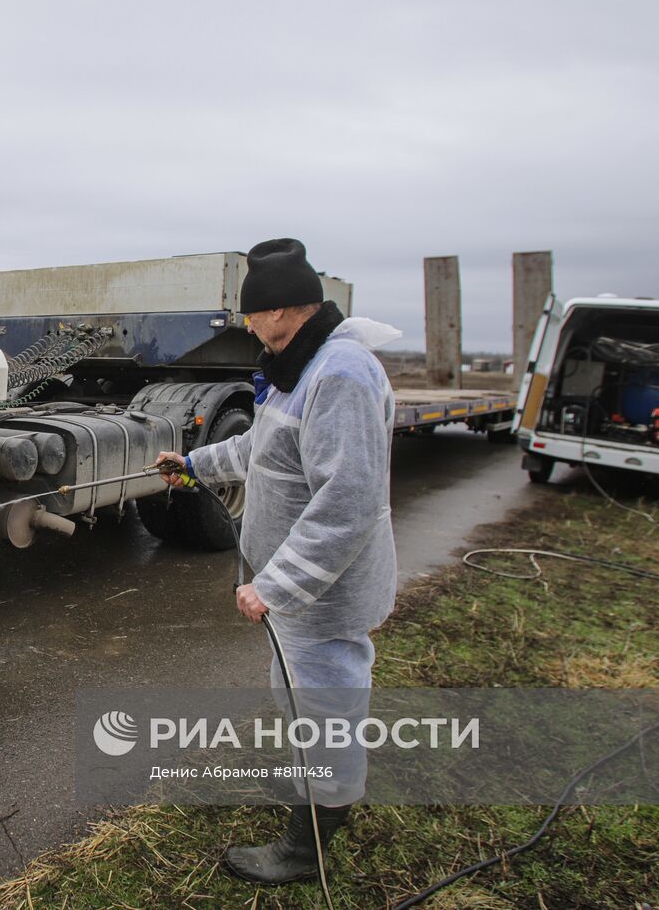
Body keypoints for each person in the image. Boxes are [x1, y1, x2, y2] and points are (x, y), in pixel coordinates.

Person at [157, 237, 400, 886]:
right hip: (303, 595)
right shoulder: (303, 363)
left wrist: (279, 583)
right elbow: (264, 449)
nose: (246, 327)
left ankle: (309, 843)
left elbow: (347, 501)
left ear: (283, 310)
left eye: (252, 314)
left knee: (326, 705)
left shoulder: (340, 374)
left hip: (323, 592)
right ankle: (320, 797)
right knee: (305, 699)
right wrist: (194, 465)